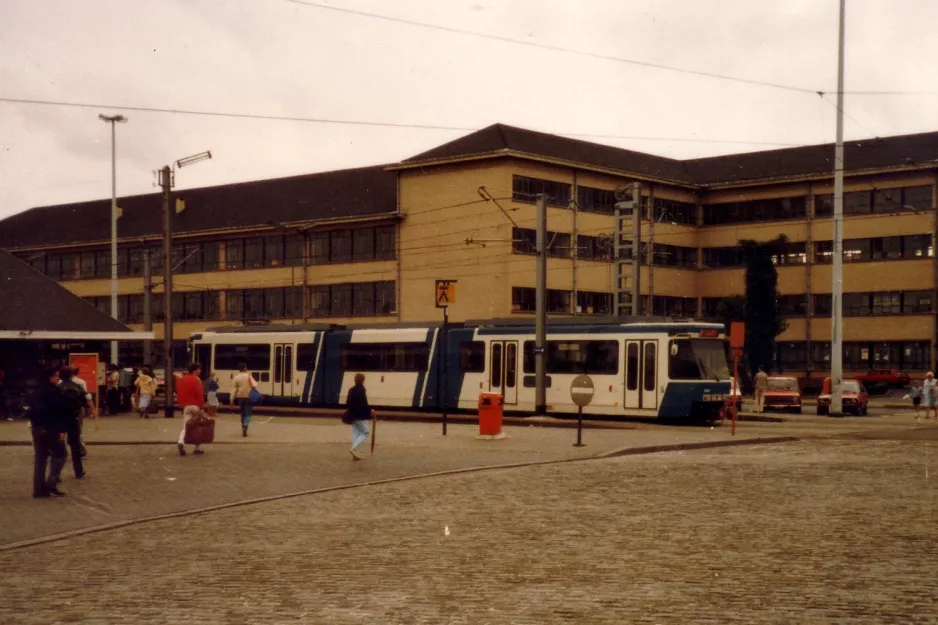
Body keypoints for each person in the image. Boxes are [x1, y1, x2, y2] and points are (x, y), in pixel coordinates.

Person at [26, 366, 69, 497]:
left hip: (36, 428)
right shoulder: (54, 391)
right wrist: (61, 430)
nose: (58, 378)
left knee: (40, 459)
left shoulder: (36, 390)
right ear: (50, 377)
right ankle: (52, 481)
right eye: (56, 375)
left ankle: (38, 490)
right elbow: (59, 412)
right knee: (60, 454)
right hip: (50, 428)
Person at [59, 367, 91, 479]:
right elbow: (85, 399)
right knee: (75, 445)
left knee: (58, 445)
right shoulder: (76, 387)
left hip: (60, 418)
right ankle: (78, 470)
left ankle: (56, 473)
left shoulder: (57, 387)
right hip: (73, 418)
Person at [175, 362, 206, 456]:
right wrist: (202, 407)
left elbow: (179, 393)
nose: (200, 371)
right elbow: (199, 394)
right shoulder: (197, 380)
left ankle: (181, 442)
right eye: (199, 369)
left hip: (186, 406)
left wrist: (182, 405)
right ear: (194, 370)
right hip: (196, 406)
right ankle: (197, 448)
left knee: (185, 426)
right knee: (199, 427)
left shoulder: (182, 379)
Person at [344, 373, 375, 461]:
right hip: (361, 416)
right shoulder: (361, 390)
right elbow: (364, 403)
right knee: (366, 433)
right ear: (363, 380)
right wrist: (370, 410)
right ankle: (353, 449)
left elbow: (348, 403)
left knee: (356, 434)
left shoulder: (351, 390)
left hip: (353, 415)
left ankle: (355, 455)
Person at [230, 363, 258, 438]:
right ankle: (245, 426)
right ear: (245, 368)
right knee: (248, 414)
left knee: (242, 414)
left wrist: (231, 400)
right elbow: (255, 385)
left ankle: (243, 427)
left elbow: (233, 390)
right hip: (248, 397)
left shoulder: (236, 378)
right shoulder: (248, 376)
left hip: (240, 397)